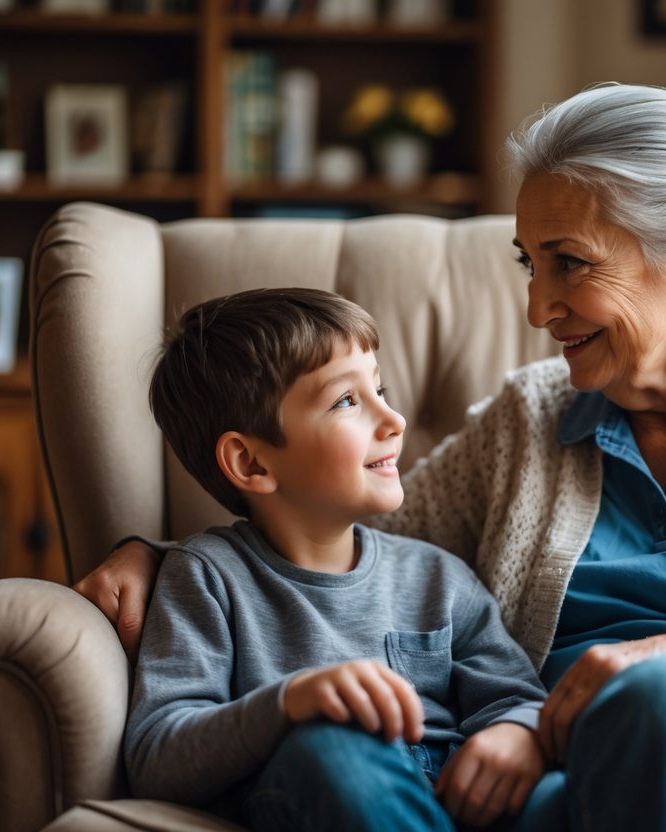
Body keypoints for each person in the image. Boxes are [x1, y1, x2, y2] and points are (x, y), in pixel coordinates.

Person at [81, 83, 666, 832]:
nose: (538, 308)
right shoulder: (528, 417)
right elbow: (346, 535)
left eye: (568, 265)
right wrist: (159, 558)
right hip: (562, 770)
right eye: (527, 264)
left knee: (663, 702)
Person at [124, 287, 547, 831]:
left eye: (380, 388)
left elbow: (516, 697)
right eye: (347, 400)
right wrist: (288, 704)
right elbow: (157, 755)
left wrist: (515, 731)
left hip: (460, 797)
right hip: (327, 788)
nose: (392, 417)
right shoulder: (207, 578)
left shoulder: (438, 576)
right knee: (330, 752)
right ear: (250, 462)